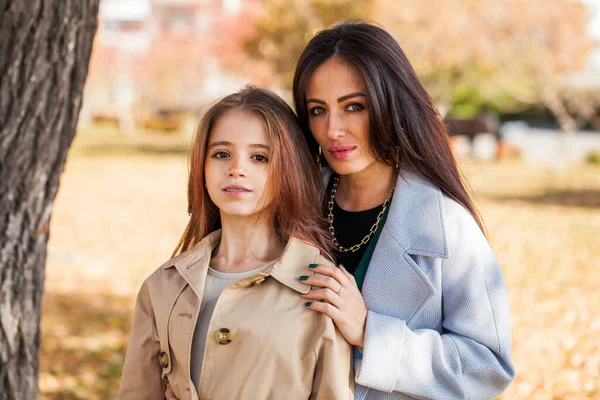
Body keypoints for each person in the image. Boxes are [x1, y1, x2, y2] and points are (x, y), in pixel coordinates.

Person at [291, 22, 515, 399]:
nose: (332, 129)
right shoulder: (293, 203)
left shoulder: (447, 226)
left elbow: (488, 367)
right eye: (317, 110)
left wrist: (369, 332)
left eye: (353, 107)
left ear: (389, 103)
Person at [119, 86, 354, 400]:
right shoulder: (162, 287)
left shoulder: (320, 288)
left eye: (259, 157)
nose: (236, 169)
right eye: (221, 154)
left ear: (288, 170)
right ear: (202, 168)